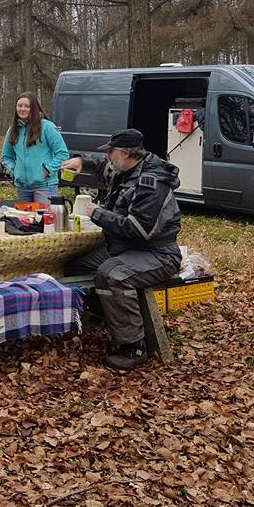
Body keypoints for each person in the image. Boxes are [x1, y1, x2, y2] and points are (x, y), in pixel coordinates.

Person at [62, 129, 182, 371]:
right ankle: (112, 315)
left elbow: (139, 229)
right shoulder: (125, 168)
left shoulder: (151, 183)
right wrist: (82, 161)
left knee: (111, 275)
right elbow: (103, 166)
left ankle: (133, 346)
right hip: (124, 248)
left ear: (126, 153)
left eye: (111, 152)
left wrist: (98, 214)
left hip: (156, 253)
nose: (108, 156)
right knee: (74, 267)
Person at [0, 91, 70, 203]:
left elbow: (63, 153)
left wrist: (48, 170)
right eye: (20, 105)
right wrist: (14, 171)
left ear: (34, 108)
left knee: (42, 219)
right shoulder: (13, 130)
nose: (22, 109)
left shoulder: (47, 127)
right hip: (22, 188)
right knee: (25, 219)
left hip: (45, 186)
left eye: (27, 106)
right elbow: (6, 157)